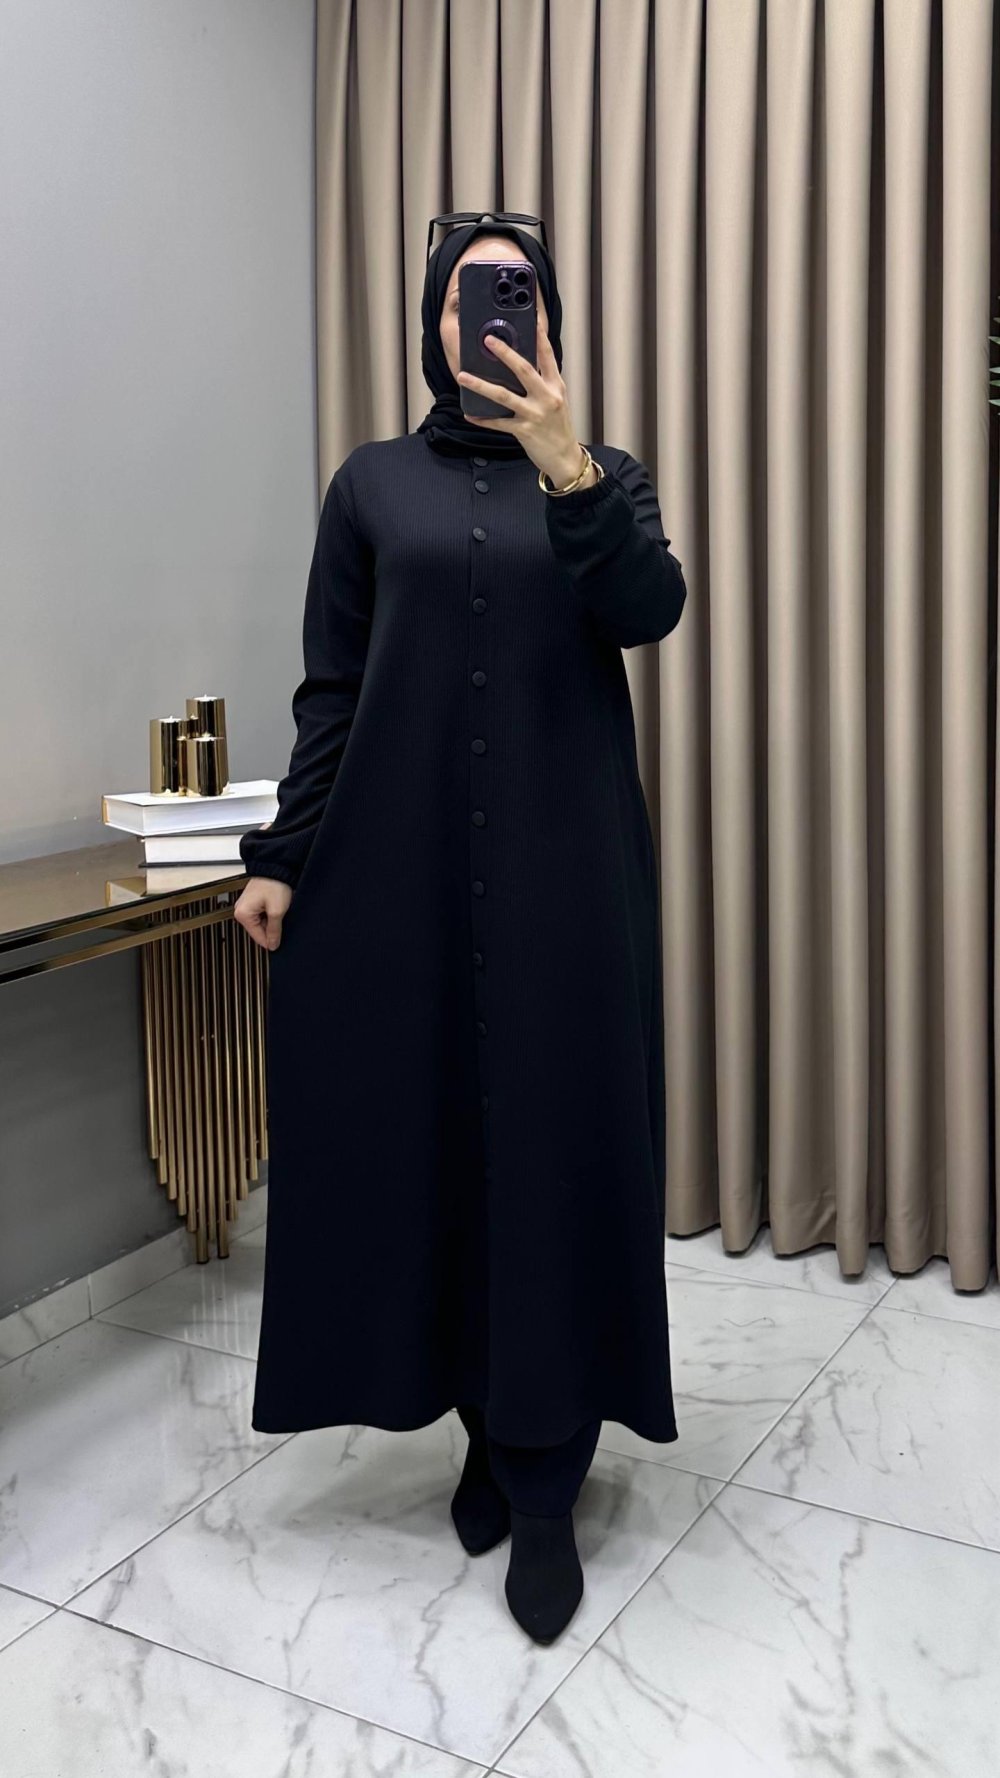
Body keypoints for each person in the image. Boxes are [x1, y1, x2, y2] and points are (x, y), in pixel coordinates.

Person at [234, 213, 686, 1645]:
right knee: (435, 1146)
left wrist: (568, 466)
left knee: (553, 1151)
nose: (491, 313)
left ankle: (546, 1474)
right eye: (469, 293)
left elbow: (649, 609)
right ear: (433, 320)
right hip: (402, 872)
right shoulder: (370, 484)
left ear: (547, 318)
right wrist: (281, 856)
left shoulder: (603, 472)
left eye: (517, 291)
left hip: (567, 876)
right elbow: (333, 684)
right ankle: (488, 1430)